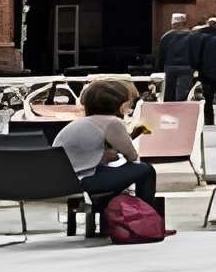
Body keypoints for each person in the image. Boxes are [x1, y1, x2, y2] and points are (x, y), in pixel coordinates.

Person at [55, 76, 161, 215]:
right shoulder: (112, 122)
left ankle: (108, 209)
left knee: (115, 173)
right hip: (82, 181)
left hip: (61, 180)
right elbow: (132, 156)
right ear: (122, 106)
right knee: (146, 170)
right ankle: (145, 216)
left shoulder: (81, 123)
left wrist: (105, 156)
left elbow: (83, 158)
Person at [157, 13, 200, 103]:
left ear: (173, 23)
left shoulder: (166, 36)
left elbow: (161, 55)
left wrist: (159, 69)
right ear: (185, 23)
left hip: (169, 67)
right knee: (182, 94)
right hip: (186, 67)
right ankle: (181, 111)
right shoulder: (193, 36)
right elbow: (196, 53)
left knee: (168, 93)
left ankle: (169, 112)